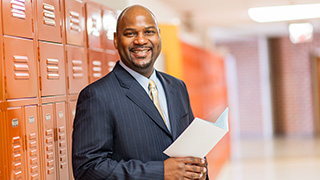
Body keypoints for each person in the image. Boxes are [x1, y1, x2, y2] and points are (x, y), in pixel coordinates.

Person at [72, 5, 208, 180]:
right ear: (115, 40)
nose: (141, 40)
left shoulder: (177, 87)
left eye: (149, 32)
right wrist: (161, 172)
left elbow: (192, 146)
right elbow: (88, 169)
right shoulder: (97, 96)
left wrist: (200, 170)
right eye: (130, 34)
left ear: (159, 35)